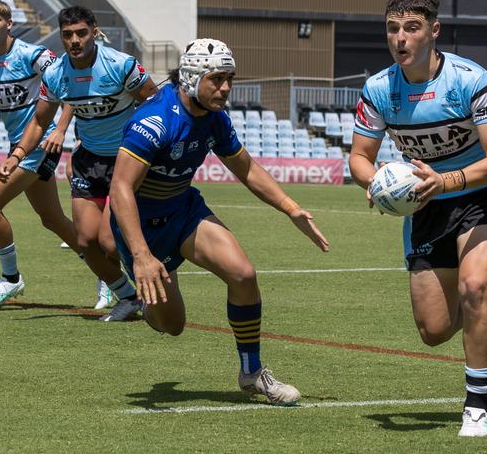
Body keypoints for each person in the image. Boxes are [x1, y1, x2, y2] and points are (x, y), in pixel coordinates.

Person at [108, 38, 329, 405]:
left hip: (183, 212)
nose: (226, 88)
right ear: (192, 78)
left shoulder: (215, 119)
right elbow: (120, 190)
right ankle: (148, 296)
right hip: (142, 230)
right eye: (217, 79)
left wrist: (290, 208)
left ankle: (252, 372)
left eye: (230, 79)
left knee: (243, 274)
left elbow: (246, 168)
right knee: (172, 326)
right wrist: (142, 255)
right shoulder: (154, 121)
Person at [349, 0, 487, 437]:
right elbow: (358, 156)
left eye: (411, 28)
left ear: (433, 30)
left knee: (472, 284)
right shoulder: (377, 89)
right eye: (393, 28)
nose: (400, 38)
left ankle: (476, 408)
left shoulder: (471, 80)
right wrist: (372, 181)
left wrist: (446, 181)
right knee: (434, 330)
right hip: (425, 208)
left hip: (480, 195)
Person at [0, 5, 158, 319]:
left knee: (110, 243)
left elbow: (155, 102)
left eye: (81, 33)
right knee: (85, 241)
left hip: (126, 159)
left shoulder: (121, 65)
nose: (75, 40)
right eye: (68, 34)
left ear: (95, 31)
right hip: (88, 160)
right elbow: (39, 122)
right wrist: (17, 155)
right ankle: (127, 297)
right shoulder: (56, 74)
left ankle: (152, 280)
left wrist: (151, 145)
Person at [0, 0, 83, 308]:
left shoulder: (34, 55)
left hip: (39, 143)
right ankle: (107, 274)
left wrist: (60, 129)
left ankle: (11, 279)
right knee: (52, 219)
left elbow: (67, 83)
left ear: (9, 24)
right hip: (17, 144)